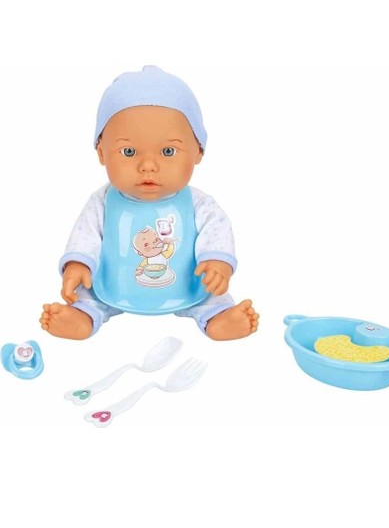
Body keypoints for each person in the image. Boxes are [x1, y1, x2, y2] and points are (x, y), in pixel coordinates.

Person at [40, 66, 259, 340]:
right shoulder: (102, 202)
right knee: (89, 293)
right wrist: (78, 266)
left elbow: (217, 232)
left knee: (212, 295)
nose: (148, 165)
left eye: (168, 151)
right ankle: (81, 317)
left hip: (188, 285)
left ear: (198, 151)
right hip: (113, 284)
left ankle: (220, 318)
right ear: (101, 153)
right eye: (128, 151)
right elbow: (85, 237)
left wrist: (217, 263)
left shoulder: (200, 204)